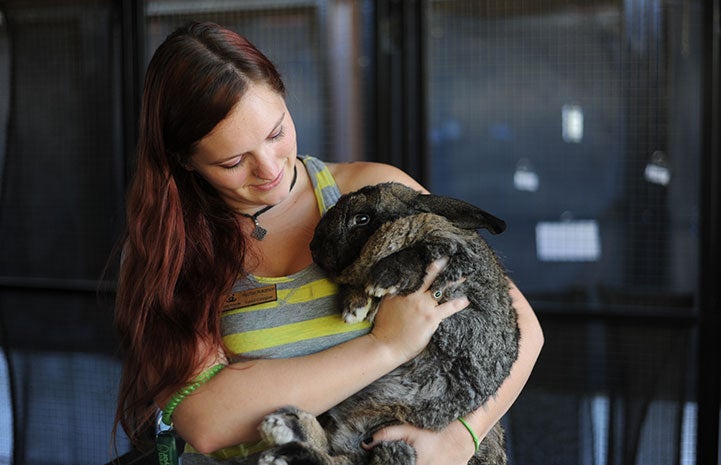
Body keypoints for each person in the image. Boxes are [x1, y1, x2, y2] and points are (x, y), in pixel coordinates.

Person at [113, 21, 543, 465]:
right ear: (184, 161)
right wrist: (386, 346)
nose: (268, 170)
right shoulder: (167, 250)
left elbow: (521, 328)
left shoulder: (378, 194)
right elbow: (206, 422)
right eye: (233, 161)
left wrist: (461, 437)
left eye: (276, 133)